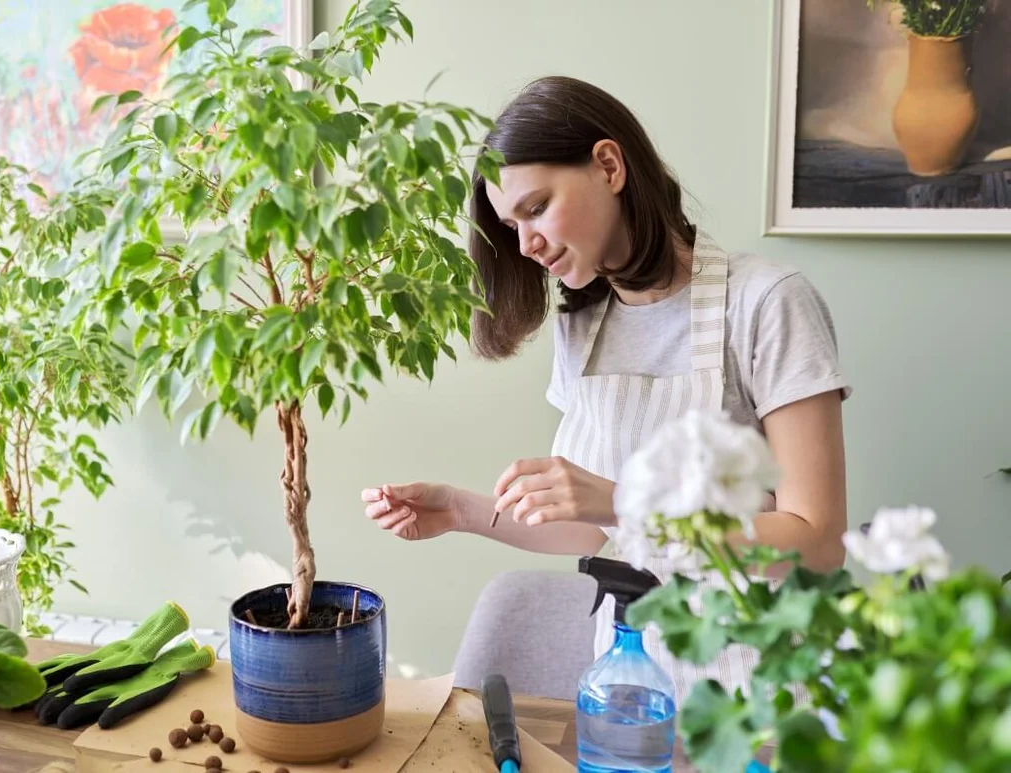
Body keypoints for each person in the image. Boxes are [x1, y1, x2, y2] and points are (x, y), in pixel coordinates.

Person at [360, 75, 850, 703]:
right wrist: (460, 510)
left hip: (760, 692)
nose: (525, 245)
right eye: (510, 225)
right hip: (630, 685)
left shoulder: (767, 303)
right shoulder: (583, 326)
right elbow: (593, 529)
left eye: (536, 208)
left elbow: (817, 543)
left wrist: (626, 503)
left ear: (610, 166)